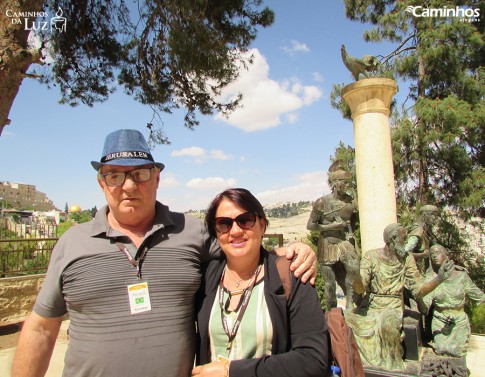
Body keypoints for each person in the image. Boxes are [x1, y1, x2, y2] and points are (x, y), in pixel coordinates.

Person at [11, 129, 317, 377]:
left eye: (140, 174)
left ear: (157, 179)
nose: (129, 186)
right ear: (102, 183)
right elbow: (40, 329)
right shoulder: (71, 243)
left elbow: (243, 250)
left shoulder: (191, 232)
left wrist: (293, 251)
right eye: (115, 175)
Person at [193, 188, 328, 377]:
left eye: (245, 220)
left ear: (262, 225)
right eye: (224, 223)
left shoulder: (292, 275)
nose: (236, 231)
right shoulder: (205, 278)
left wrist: (231, 372)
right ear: (215, 232)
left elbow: (313, 359)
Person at [344, 223, 453, 371]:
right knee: (343, 320)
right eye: (404, 238)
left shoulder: (407, 259)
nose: (406, 242)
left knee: (387, 326)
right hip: (370, 305)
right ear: (393, 239)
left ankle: (390, 367)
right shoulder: (371, 256)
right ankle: (355, 365)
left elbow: (418, 290)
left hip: (392, 306)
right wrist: (354, 272)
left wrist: (438, 279)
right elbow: (360, 287)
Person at [306, 160, 361, 309]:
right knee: (329, 285)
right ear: (335, 182)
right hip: (327, 243)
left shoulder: (350, 202)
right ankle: (332, 315)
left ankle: (351, 306)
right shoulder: (322, 202)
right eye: (343, 182)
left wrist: (351, 235)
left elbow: (353, 223)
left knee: (354, 269)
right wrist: (332, 226)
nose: (346, 185)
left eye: (347, 182)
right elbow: (310, 225)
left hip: (343, 241)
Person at [421, 244, 485, 358]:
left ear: (446, 254)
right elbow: (424, 306)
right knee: (441, 350)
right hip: (440, 322)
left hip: (459, 321)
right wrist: (418, 296)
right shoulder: (431, 279)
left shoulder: (461, 275)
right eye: (432, 255)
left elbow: (478, 295)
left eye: (438, 252)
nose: (435, 256)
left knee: (457, 351)